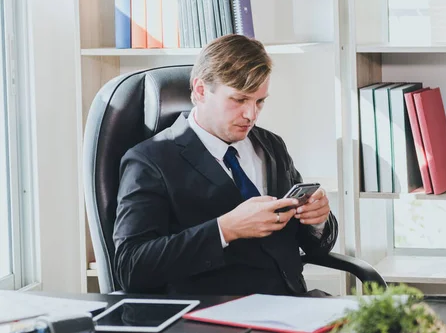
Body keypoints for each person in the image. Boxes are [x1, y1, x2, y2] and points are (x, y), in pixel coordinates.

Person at [113, 34, 338, 296]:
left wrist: (317, 220)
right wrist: (225, 229)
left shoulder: (271, 145)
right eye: (239, 100)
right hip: (215, 313)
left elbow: (316, 247)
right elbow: (131, 267)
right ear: (200, 91)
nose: (251, 115)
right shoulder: (150, 161)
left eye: (259, 101)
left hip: (294, 304)